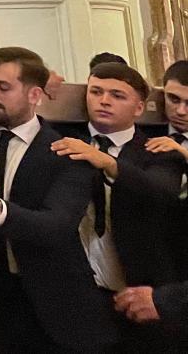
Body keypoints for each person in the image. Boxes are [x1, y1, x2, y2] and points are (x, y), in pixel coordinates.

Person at [0, 46, 118, 353]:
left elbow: (57, 226)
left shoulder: (67, 151)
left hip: (55, 304)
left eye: (3, 87)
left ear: (33, 95)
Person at [50, 61, 185, 351]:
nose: (104, 101)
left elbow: (160, 191)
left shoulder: (159, 151)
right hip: (76, 298)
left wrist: (108, 163)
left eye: (117, 95)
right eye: (96, 91)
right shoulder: (60, 140)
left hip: (141, 296)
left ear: (139, 107)